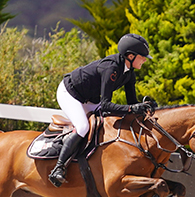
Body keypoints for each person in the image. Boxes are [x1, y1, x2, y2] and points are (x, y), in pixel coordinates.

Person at [49, 33, 154, 187]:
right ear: (130, 56)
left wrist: (145, 106)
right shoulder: (111, 68)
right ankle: (58, 168)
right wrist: (132, 108)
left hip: (90, 99)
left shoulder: (129, 73)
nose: (145, 59)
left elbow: (132, 102)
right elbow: (106, 106)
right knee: (83, 127)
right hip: (70, 93)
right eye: (142, 56)